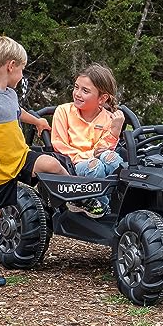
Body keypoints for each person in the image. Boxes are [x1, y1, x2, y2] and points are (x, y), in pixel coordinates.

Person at [0, 36, 69, 287]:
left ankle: (74, 202)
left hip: (19, 156)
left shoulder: (9, 93)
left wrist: (38, 121)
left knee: (52, 165)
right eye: (22, 68)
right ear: (10, 66)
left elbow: (18, 113)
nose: (22, 73)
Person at [51, 63, 125, 218]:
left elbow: (103, 149)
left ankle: (121, 201)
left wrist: (115, 131)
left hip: (97, 159)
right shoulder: (63, 111)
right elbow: (59, 145)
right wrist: (90, 156)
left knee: (113, 159)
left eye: (85, 91)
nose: (77, 93)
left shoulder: (108, 118)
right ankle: (101, 207)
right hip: (73, 164)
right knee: (95, 166)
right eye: (76, 87)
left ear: (102, 98)